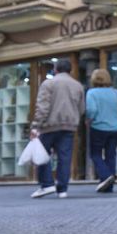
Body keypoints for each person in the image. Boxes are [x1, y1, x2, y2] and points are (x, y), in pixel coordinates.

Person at [30, 58, 84, 199]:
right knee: (64, 158)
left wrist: (36, 125)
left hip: (49, 125)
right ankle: (62, 189)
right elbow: (82, 108)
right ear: (70, 70)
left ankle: (47, 184)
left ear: (55, 69)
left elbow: (43, 106)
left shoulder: (48, 83)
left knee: (42, 154)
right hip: (69, 127)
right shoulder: (77, 85)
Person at [85, 69, 117, 194]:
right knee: (111, 154)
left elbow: (91, 110)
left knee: (96, 154)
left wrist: (88, 120)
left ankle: (105, 176)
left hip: (98, 127)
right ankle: (108, 185)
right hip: (115, 129)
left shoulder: (92, 93)